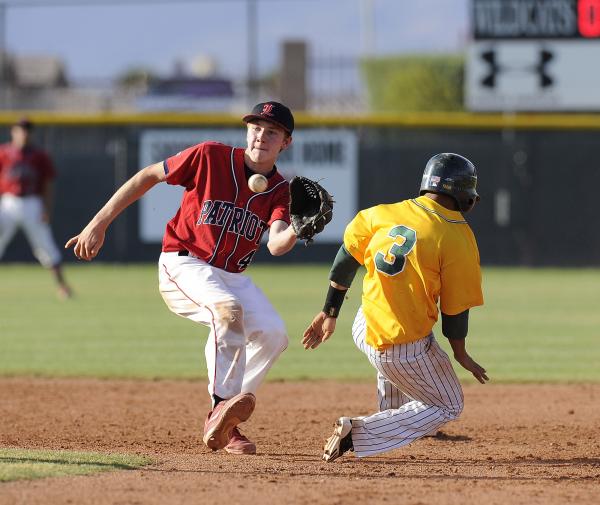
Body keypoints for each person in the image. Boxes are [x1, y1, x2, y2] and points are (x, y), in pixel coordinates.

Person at [66, 101, 314, 456]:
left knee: (274, 334)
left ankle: (224, 417)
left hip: (233, 275)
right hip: (184, 262)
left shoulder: (280, 191)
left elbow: (276, 244)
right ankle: (222, 409)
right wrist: (98, 223)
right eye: (256, 127)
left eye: (271, 131)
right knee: (227, 311)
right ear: (247, 131)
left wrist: (298, 229)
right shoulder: (210, 156)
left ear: (286, 142)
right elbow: (148, 175)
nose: (261, 135)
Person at [302, 153, 489, 462]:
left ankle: (394, 416)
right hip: (402, 349)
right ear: (463, 192)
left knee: (393, 349)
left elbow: (346, 261)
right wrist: (460, 353)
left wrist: (329, 311)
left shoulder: (381, 213)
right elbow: (455, 312)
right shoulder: (457, 235)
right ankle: (358, 432)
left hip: (364, 327)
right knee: (449, 405)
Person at [0, 118, 73, 299]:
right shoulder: (4, 152)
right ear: (13, 132)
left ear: (31, 133)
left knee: (46, 247)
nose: (24, 133)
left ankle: (62, 287)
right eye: (20, 129)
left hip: (32, 203)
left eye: (27, 130)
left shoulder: (40, 156)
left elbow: (48, 185)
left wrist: (46, 209)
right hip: (8, 202)